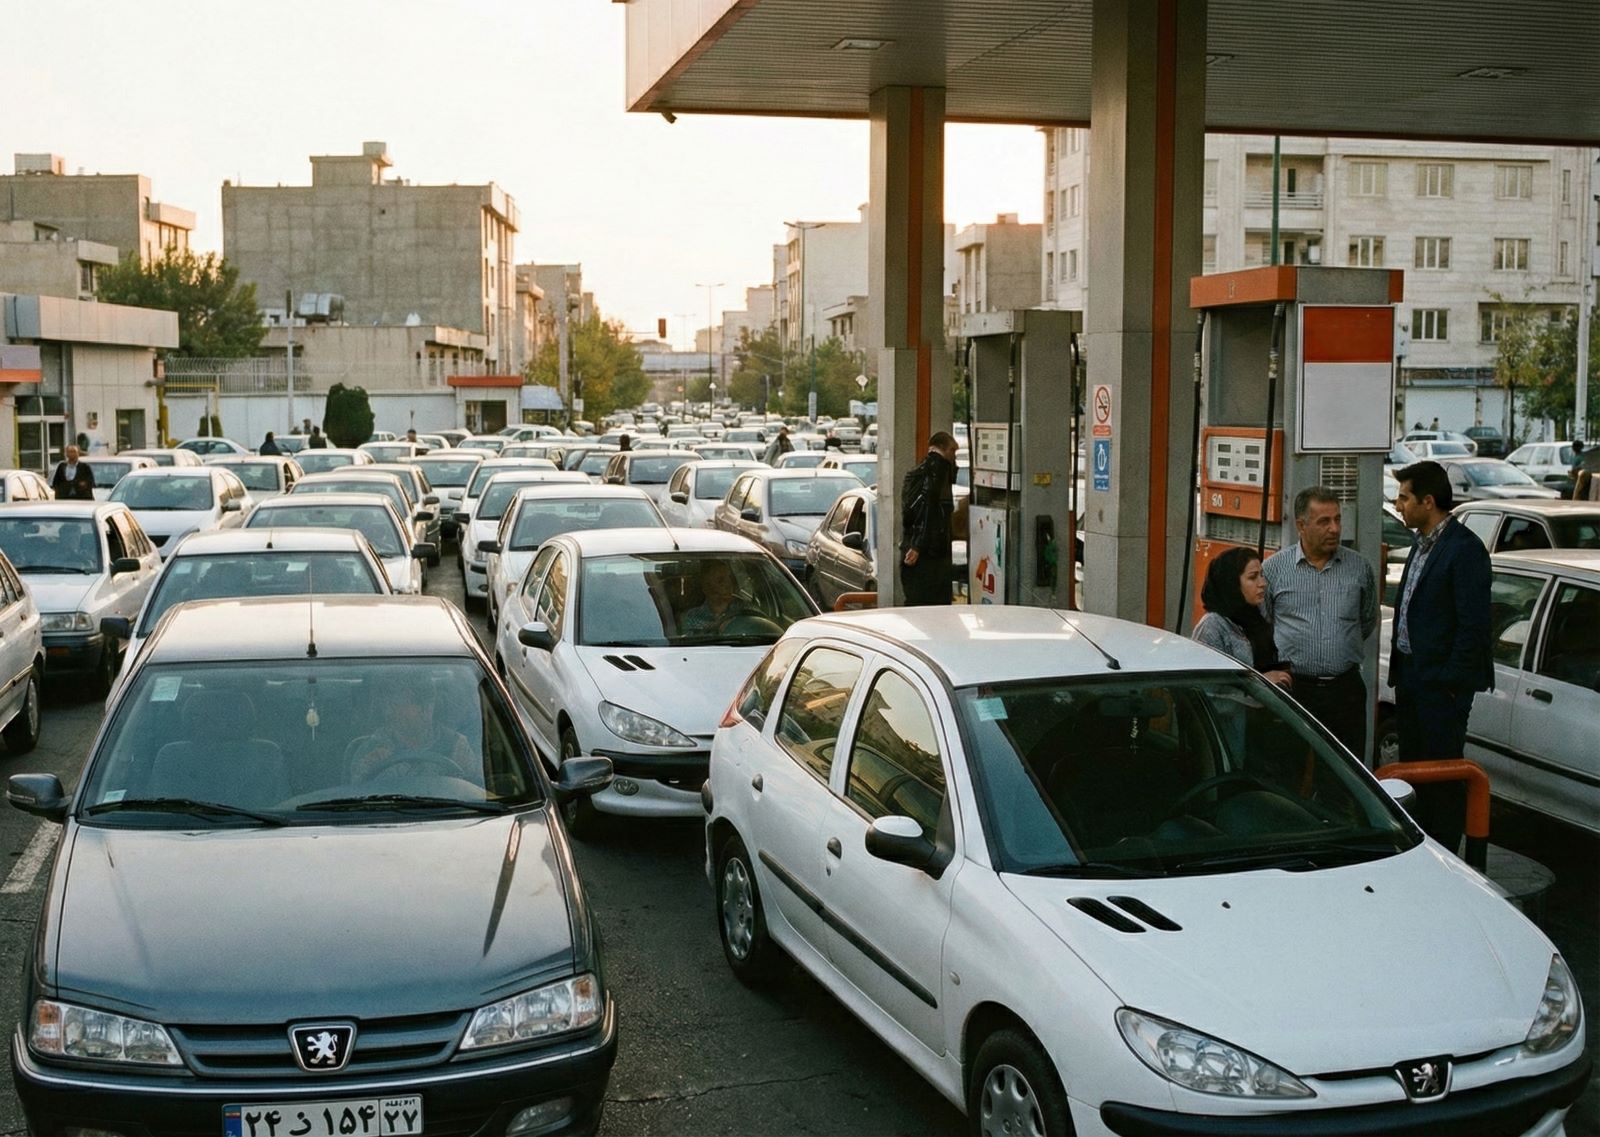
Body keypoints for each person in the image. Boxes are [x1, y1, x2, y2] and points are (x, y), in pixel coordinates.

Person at [1390, 460, 1492, 853]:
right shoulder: (1422, 543)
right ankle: (1420, 848)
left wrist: (1451, 685)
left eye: (1403, 497)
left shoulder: (1463, 550)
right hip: (1413, 677)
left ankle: (1446, 852)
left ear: (1428, 501)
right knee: (1413, 771)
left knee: (1443, 775)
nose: (1398, 505)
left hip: (1441, 685)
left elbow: (1473, 627)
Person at [1261, 486, 1378, 760]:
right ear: (1301, 525)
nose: (1334, 529)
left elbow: (1367, 620)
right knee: (1289, 768)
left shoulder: (1359, 568)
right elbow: (1264, 625)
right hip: (1294, 689)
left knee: (1347, 774)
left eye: (1337, 519)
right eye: (1324, 521)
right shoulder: (1275, 569)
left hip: (1344, 690)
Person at [1191, 547, 1292, 688]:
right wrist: (1259, 682)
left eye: (1262, 575)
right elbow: (1206, 686)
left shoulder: (1256, 618)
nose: (1262, 583)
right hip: (1228, 709)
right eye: (1253, 577)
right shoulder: (1212, 626)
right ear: (1232, 583)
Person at [349, 683, 475, 783]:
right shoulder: (372, 747)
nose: (424, 710)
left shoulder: (456, 744)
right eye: (414, 701)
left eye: (428, 703)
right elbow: (355, 796)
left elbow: (475, 790)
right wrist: (367, 768)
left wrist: (462, 775)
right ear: (392, 707)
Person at [900, 431, 959, 606]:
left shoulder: (919, 471)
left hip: (917, 545)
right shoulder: (938, 472)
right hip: (932, 551)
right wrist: (919, 544)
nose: (954, 456)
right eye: (952, 451)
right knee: (934, 602)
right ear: (943, 449)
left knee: (917, 601)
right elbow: (928, 508)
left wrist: (915, 543)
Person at [680, 560, 757, 635]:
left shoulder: (745, 610)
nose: (728, 584)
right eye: (721, 580)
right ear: (706, 588)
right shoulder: (693, 617)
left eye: (729, 578)